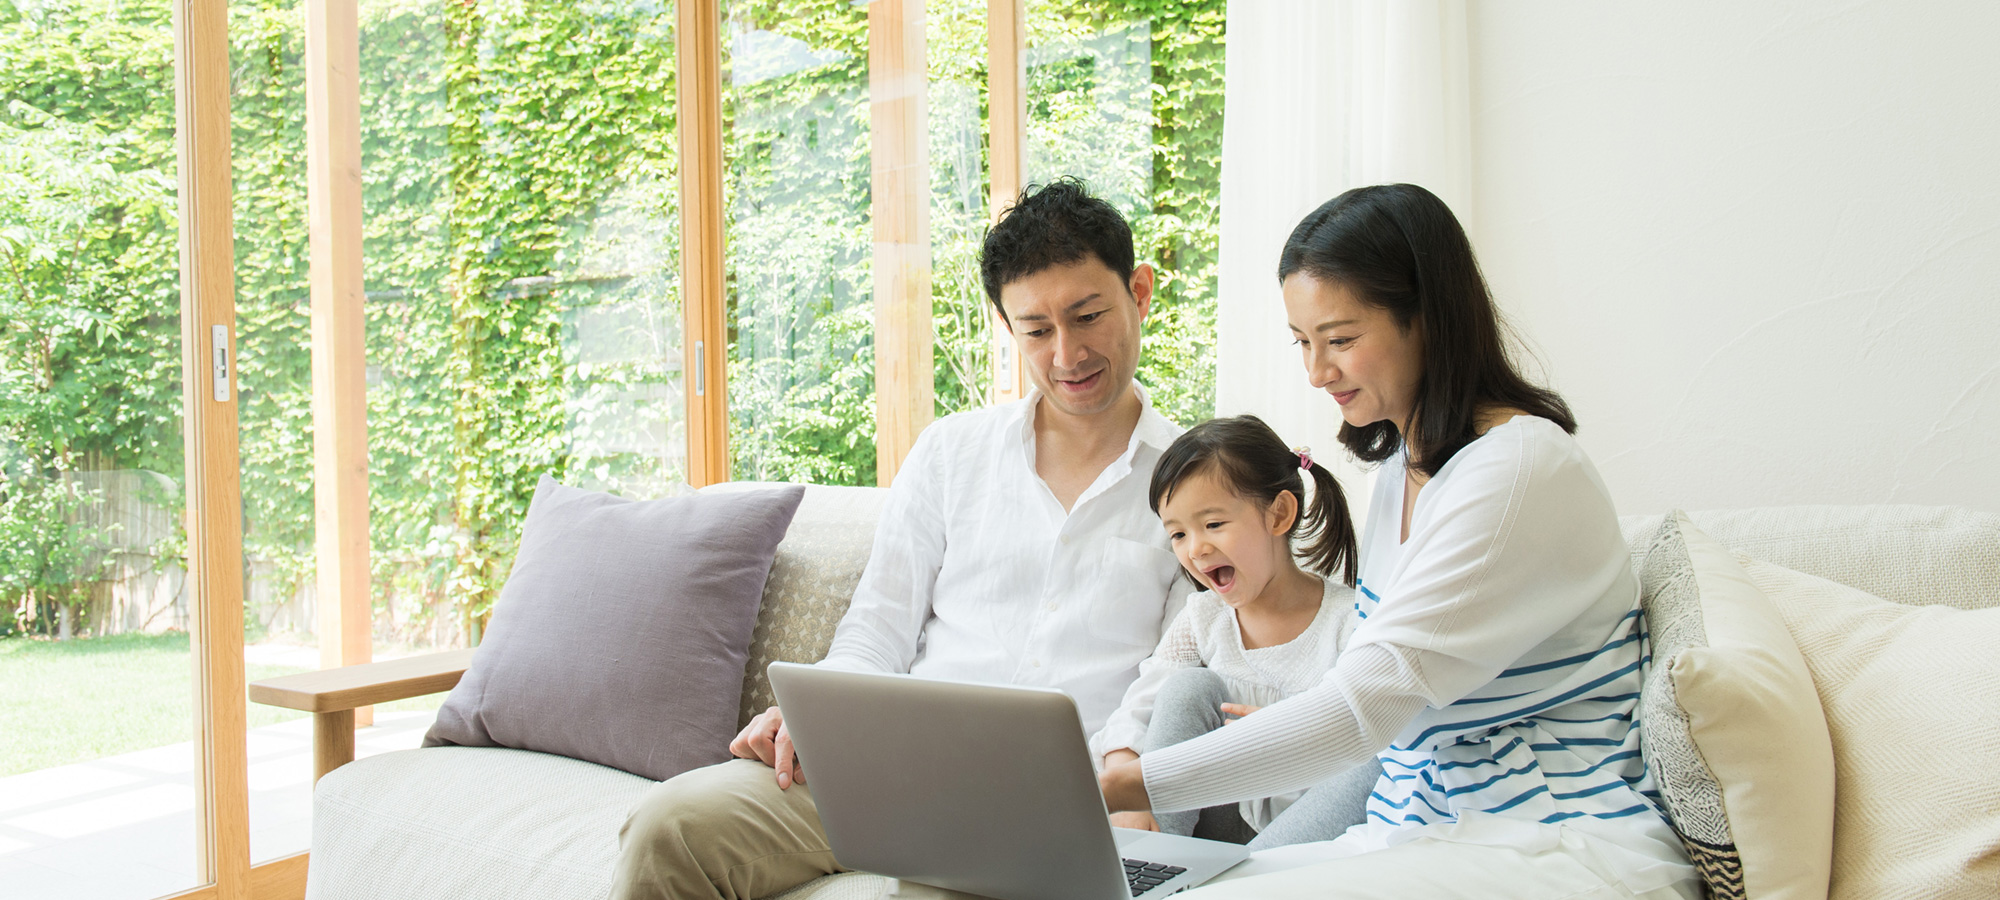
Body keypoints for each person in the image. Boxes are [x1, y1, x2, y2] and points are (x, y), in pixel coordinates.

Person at [1097, 184, 1701, 899]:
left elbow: (1360, 710)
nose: (1317, 372)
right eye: (1304, 343)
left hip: (1550, 837)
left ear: (1428, 320)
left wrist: (1120, 786)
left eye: (1341, 339)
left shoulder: (1519, 471)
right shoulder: (1401, 470)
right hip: (1414, 827)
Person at [611, 178, 1195, 900]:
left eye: (1087, 316)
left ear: (1138, 292)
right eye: (1037, 330)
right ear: (1008, 328)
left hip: (1053, 810)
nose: (1067, 353)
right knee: (671, 825)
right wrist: (816, 710)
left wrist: (1133, 790)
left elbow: (1172, 682)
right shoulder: (951, 452)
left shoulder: (1199, 485)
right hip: (893, 774)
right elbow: (877, 629)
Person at [1090, 414, 1381, 849]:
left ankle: (1249, 884)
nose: (1196, 549)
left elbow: (1369, 738)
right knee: (1188, 687)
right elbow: (1143, 703)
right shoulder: (1204, 617)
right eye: (1178, 534)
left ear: (1279, 514)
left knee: (1374, 762)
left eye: (1213, 525)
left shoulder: (1349, 620)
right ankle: (1156, 863)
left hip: (1304, 825)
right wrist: (1126, 789)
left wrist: (1291, 732)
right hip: (1219, 817)